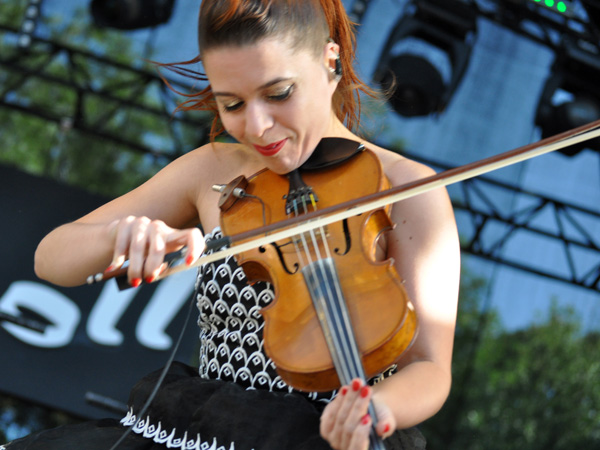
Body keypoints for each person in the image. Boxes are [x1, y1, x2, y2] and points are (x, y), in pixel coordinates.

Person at [3, 0, 460, 449]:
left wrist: (376, 410)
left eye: (279, 93)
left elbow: (429, 368)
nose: (258, 127)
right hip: (195, 429)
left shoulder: (405, 189)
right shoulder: (217, 170)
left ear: (329, 58)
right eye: (232, 104)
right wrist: (117, 237)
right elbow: (51, 257)